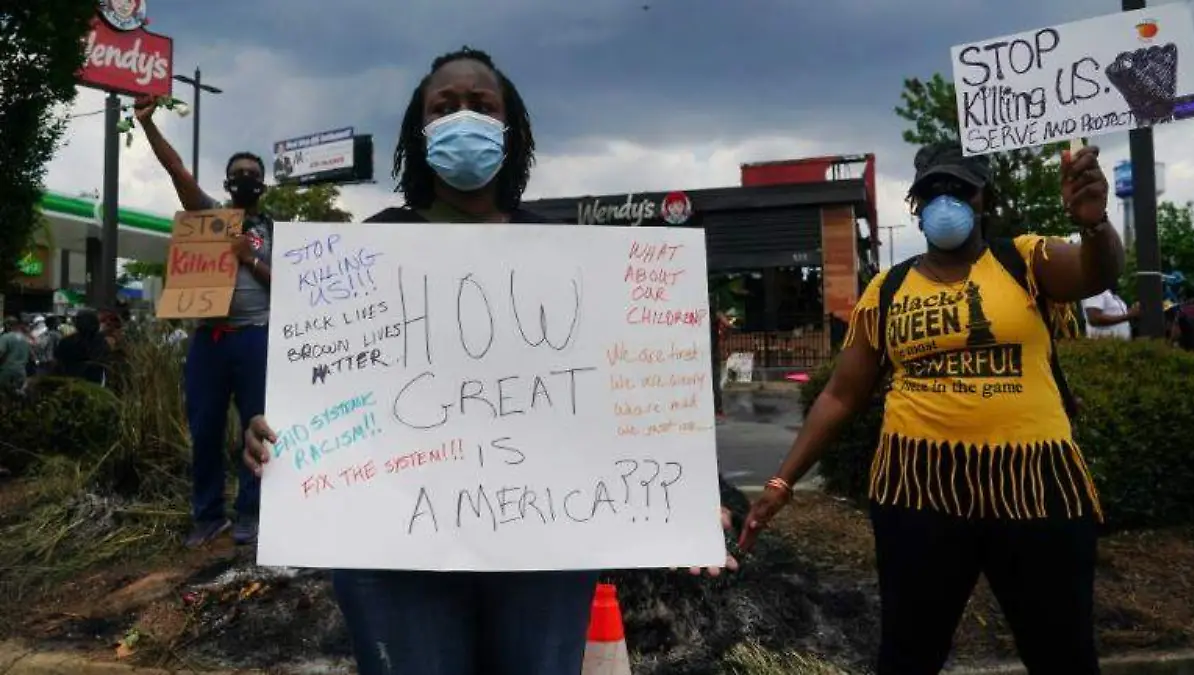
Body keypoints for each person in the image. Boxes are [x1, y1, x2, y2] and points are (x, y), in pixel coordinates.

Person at [244, 46, 734, 675]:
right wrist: (270, 432)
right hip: (394, 554)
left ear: (512, 127)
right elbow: (321, 386)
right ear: (419, 133)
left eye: (482, 105)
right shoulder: (363, 250)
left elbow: (631, 394)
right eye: (444, 107)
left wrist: (698, 493)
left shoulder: (570, 253)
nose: (463, 117)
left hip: (544, 553)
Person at [739, 141, 1122, 675]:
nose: (947, 200)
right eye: (932, 191)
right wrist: (780, 485)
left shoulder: (1024, 259)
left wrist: (1094, 224)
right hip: (919, 494)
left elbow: (1094, 274)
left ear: (982, 198)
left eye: (958, 189)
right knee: (908, 655)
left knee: (1064, 654)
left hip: (1037, 490)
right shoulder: (889, 288)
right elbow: (841, 394)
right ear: (917, 207)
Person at [137, 97, 273, 548]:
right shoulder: (209, 217)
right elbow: (177, 170)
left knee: (257, 428)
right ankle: (208, 515)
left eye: (253, 174)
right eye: (239, 173)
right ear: (227, 182)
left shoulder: (275, 232)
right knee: (205, 427)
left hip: (257, 338)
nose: (246, 179)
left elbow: (295, 286)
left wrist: (251, 259)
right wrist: (147, 123)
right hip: (209, 340)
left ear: (263, 184)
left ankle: (250, 514)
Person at [53, 310, 110, 386]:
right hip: (95, 384)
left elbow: (58, 360)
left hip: (70, 383)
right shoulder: (101, 342)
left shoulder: (66, 341)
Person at [0, 318, 32, 393]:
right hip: (21, 371)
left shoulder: (5, 337)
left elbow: (0, 352)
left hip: (7, 371)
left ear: (8, 325)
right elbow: (31, 354)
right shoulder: (25, 338)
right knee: (18, 394)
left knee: (3, 394)